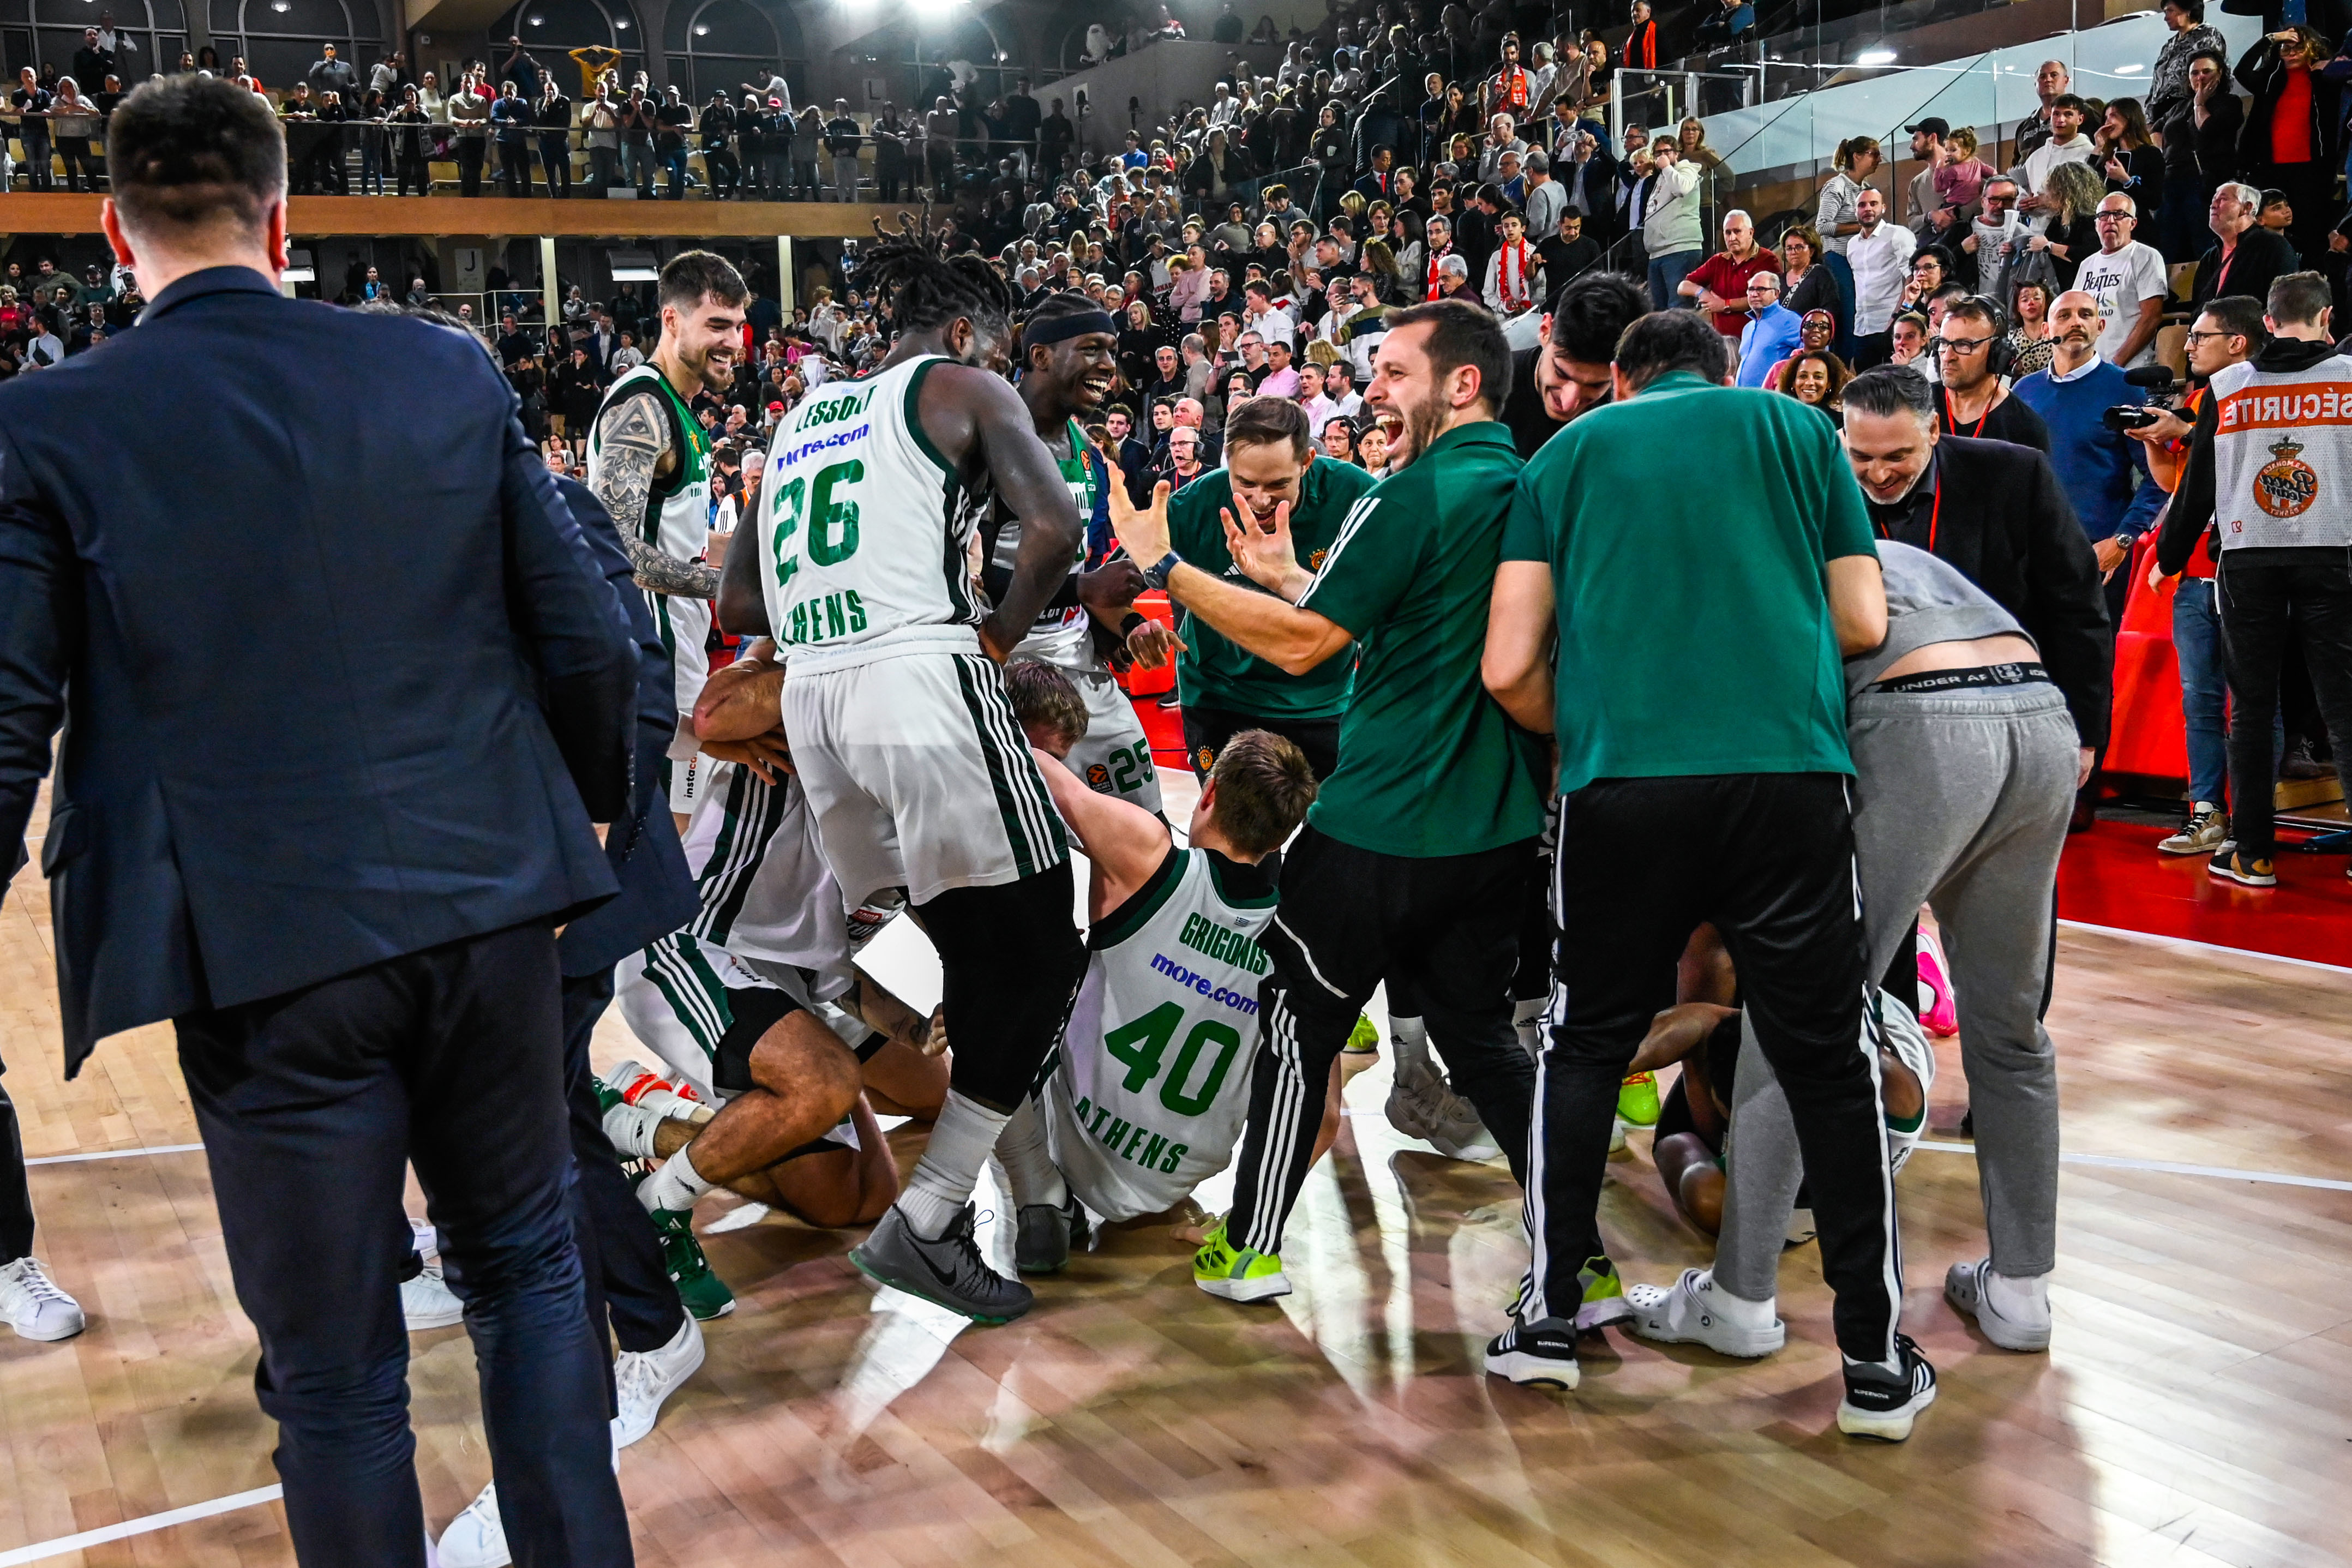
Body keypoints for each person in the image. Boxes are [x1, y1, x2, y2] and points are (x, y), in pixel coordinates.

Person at [0, 76, 635, 1564]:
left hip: (263, 948)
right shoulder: (443, 368)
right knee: (532, 1280)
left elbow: (9, 720)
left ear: (113, 234)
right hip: (491, 904)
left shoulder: (45, 421)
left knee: (339, 1375)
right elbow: (591, 640)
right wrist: (590, 819)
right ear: (283, 220)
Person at [1485, 309, 1928, 1437]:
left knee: (1585, 1042)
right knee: (1826, 1059)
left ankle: (1548, 1319)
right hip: (1785, 777)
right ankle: (1873, 1363)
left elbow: (1506, 668)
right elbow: (1861, 617)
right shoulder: (1799, 431)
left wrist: (1595, 724)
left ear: (1620, 383)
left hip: (1621, 784)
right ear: (1725, 369)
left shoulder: (1564, 455)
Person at [1105, 299, 1543, 1305]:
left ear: (1461, 383)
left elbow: (1308, 647)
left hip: (1379, 818)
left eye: (1393, 372)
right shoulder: (1524, 485)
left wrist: (1166, 567)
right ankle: (1579, 1255)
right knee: (1482, 1040)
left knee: (1298, 1022)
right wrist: (1294, 576)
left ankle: (1250, 1246)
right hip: (1492, 827)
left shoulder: (1409, 493)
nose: (1372, 390)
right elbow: (1418, 621)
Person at [716, 214, 1089, 1325]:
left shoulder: (797, 418)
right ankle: (928, 1217)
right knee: (1041, 942)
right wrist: (996, 635)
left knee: (968, 950)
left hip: (817, 703)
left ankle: (1032, 1196)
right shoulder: (962, 387)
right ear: (966, 331)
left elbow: (739, 599)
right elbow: (1056, 527)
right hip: (917, 675)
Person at [1628, 540, 2077, 1360]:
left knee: (1798, 1011)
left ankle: (1739, 1298)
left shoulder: (1723, 561)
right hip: (2040, 714)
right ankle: (2021, 1293)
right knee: (2013, 1029)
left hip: (1920, 718)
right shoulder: (1871, 541)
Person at [993, 687, 1326, 1266]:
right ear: (1281, 839)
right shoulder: (1302, 940)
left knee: (993, 993)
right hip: (1172, 1178)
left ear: (1208, 794)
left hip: (1066, 1138)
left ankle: (1039, 1189)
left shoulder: (1147, 855)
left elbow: (1051, 780)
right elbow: (1323, 1119)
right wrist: (1245, 1222)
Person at [2157, 271, 2352, 888]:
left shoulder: (2229, 386)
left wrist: (2170, 554)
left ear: (2267, 322)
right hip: (2334, 551)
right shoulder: (2347, 378)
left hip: (2249, 558)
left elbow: (2198, 487)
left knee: (2250, 708)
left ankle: (2253, 852)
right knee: (2344, 709)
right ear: (2325, 317)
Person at [1840, 366, 2112, 784]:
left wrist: (2082, 733)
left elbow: (2077, 607)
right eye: (1862, 456)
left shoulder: (2016, 475)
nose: (1879, 474)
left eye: (1897, 456)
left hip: (1996, 717)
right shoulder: (1820, 484)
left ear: (1933, 429)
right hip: (1869, 726)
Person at [980, 293, 1169, 813]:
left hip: (1080, 659)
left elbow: (1081, 570)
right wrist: (1083, 588)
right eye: (1091, 348)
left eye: (1111, 349)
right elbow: (967, 577)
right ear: (1040, 356)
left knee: (1146, 819)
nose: (1108, 364)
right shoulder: (986, 441)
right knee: (1029, 837)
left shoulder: (1085, 447)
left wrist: (1126, 626)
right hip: (1006, 666)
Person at [586, 251, 745, 831]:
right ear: (672, 320)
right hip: (648, 657)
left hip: (680, 654)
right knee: (646, 835)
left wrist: (769, 561)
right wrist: (725, 587)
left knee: (680, 828)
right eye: (717, 325)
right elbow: (613, 548)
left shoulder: (680, 410)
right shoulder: (643, 408)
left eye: (738, 326)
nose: (733, 342)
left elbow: (684, 540)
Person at [1159, 395, 1379, 784]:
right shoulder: (1191, 505)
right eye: (1245, 482)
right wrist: (1131, 622)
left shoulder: (1355, 494)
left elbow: (1385, 610)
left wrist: (1289, 577)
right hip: (1219, 696)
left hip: (1322, 700)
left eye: (1279, 484)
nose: (1260, 500)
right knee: (1231, 824)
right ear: (1226, 460)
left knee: (1331, 821)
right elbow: (1121, 577)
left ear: (1307, 461)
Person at [2135, 295, 2268, 857]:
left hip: (2246, 571)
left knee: (2255, 704)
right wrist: (2156, 441)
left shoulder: (2264, 393)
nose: (2188, 346)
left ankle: (2252, 821)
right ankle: (2206, 812)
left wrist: (2187, 434)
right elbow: (2175, 485)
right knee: (2200, 700)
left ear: (2237, 342)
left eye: (2200, 336)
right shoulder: (2195, 399)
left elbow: (2246, 464)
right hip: (2193, 573)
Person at [2011, 289, 2167, 638]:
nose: (2076, 323)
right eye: (2064, 316)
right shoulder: (2023, 391)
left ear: (2100, 326)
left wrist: (2123, 539)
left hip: (2099, 554)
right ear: (2046, 329)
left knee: (2095, 660)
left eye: (2085, 315)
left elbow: (2159, 477)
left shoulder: (2126, 388)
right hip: (2034, 554)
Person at [2235, 27, 2339, 265]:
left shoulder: (2324, 79)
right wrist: (2271, 39)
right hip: (2271, 168)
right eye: (2286, 48)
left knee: (2311, 232)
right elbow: (2242, 72)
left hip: (2312, 169)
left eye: (2299, 48)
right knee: (2271, 233)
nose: (2291, 54)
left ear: (2311, 50)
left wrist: (2331, 67)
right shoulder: (2272, 78)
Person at [1933, 296, 2051, 450]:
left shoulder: (2026, 428)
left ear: (1998, 352)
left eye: (1964, 345)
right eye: (1943, 343)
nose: (1947, 357)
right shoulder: (1916, 405)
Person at [2158, 49, 2241, 266]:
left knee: (2204, 242)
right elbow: (2156, 130)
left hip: (2204, 181)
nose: (2200, 77)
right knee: (2168, 246)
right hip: (2171, 180)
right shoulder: (2179, 106)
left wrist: (2199, 104)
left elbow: (2205, 129)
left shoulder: (2229, 102)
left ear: (2220, 74)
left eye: (2207, 72)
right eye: (2195, 73)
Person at [2072, 194, 2169, 368]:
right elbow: (2076, 315)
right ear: (2096, 224)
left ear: (2133, 223)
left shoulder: (2146, 257)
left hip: (2131, 367)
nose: (2110, 221)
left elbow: (2151, 317)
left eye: (2119, 214)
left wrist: (2115, 365)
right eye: (2104, 215)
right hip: (2091, 366)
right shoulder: (2087, 265)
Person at [2192, 181, 2300, 313]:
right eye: (2214, 200)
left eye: (2223, 199)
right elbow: (2197, 307)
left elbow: (2286, 305)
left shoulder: (2273, 246)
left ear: (2247, 208)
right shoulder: (2210, 258)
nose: (2213, 205)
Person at [1678, 208, 1780, 338]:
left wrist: (1725, 305)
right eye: (1728, 233)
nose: (1732, 238)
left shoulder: (1766, 259)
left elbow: (1765, 298)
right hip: (1722, 341)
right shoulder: (1718, 261)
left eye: (1737, 231)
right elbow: (1683, 287)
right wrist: (1702, 293)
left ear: (1751, 232)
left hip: (1757, 340)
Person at [1847, 186, 1916, 368]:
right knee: (1866, 381)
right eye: (1862, 205)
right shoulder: (1852, 244)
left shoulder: (1898, 234)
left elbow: (1912, 278)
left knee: (1892, 381)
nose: (1868, 209)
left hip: (1890, 325)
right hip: (1862, 327)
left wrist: (1898, 316)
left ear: (1883, 208)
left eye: (1873, 204)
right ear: (1856, 211)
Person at [1642, 135, 1704, 311]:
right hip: (1657, 251)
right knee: (1659, 310)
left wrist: (1667, 167)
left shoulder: (1686, 169)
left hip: (1679, 248)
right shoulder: (1662, 177)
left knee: (1677, 308)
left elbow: (1682, 188)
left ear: (1676, 153)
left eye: (1667, 151)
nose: (1662, 156)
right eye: (1658, 153)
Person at [1734, 270, 1803, 388]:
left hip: (1771, 397)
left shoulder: (1790, 321)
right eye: (1751, 289)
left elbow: (1814, 354)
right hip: (1744, 396)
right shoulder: (1748, 327)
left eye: (1761, 289)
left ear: (1776, 293)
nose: (1754, 294)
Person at [1816, 136, 1881, 253]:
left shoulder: (1866, 188)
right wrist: (1862, 226)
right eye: (1874, 154)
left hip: (1860, 255)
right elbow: (1822, 227)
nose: (1879, 160)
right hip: (1838, 256)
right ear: (1857, 156)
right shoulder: (1837, 186)